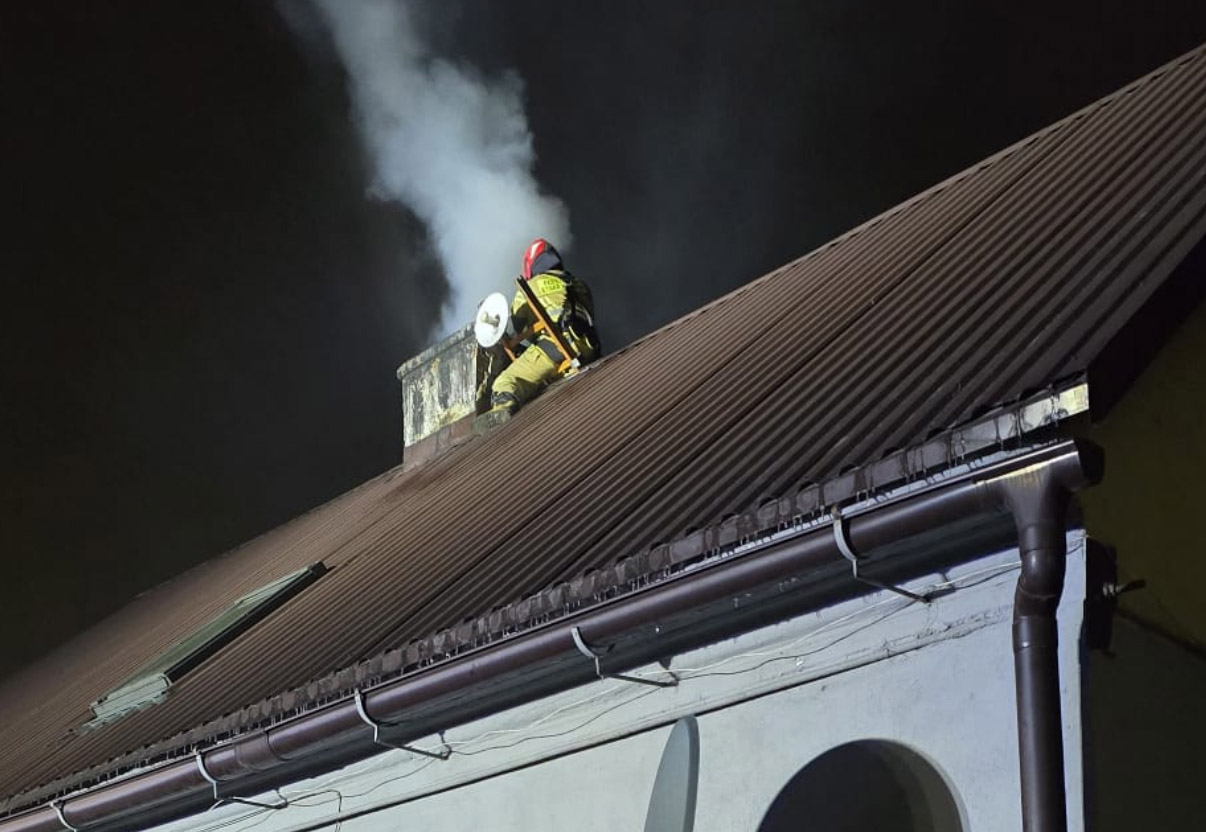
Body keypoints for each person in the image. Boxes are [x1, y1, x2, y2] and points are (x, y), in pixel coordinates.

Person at [488, 238, 600, 414]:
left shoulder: (530, 287)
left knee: (506, 381)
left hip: (555, 346)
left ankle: (501, 412)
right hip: (588, 348)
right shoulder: (579, 284)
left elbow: (518, 326)